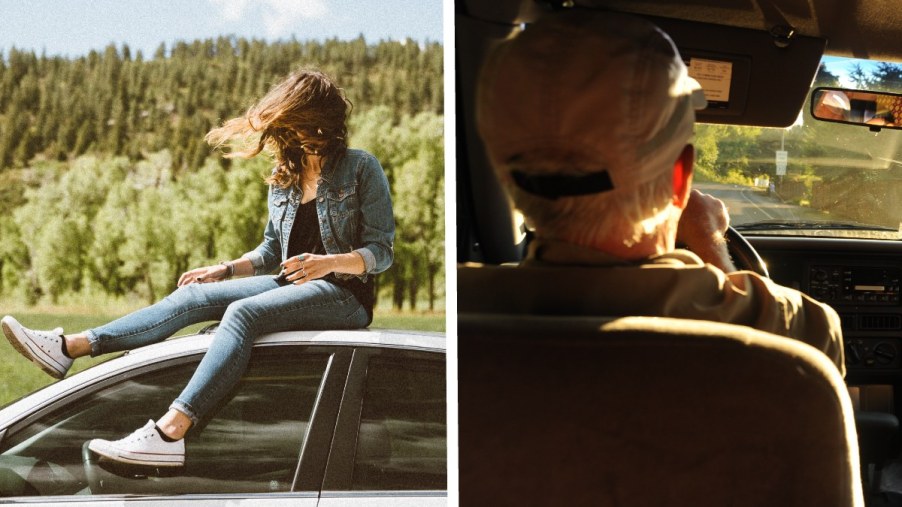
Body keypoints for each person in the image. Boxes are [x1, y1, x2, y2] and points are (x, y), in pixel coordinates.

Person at [1, 69, 395, 467]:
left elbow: (381, 251)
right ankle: (69, 347)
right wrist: (223, 269)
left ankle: (170, 432)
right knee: (192, 295)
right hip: (285, 284)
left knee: (242, 314)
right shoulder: (285, 177)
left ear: (315, 117)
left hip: (345, 296)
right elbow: (272, 249)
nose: (286, 131)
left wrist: (328, 263)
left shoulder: (361, 168)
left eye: (292, 119)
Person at [476, 11, 844, 373]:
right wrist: (712, 244)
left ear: (501, 172)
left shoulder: (466, 313)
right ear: (680, 178)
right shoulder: (802, 332)